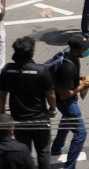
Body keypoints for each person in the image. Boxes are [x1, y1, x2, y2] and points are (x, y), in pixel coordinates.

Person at [0, 36, 56, 169]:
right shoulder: (41, 70)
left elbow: (2, 95)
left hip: (19, 120)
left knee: (24, 152)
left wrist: (2, 115)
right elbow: (51, 95)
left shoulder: (7, 69)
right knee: (43, 151)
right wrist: (53, 109)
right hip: (40, 120)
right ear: (31, 52)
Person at [49, 35, 89, 169]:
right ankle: (70, 167)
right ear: (76, 50)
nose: (87, 50)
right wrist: (82, 86)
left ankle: (56, 147)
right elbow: (65, 95)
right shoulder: (68, 68)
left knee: (67, 119)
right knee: (81, 133)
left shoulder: (68, 54)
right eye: (84, 48)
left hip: (63, 94)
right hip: (66, 101)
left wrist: (78, 77)